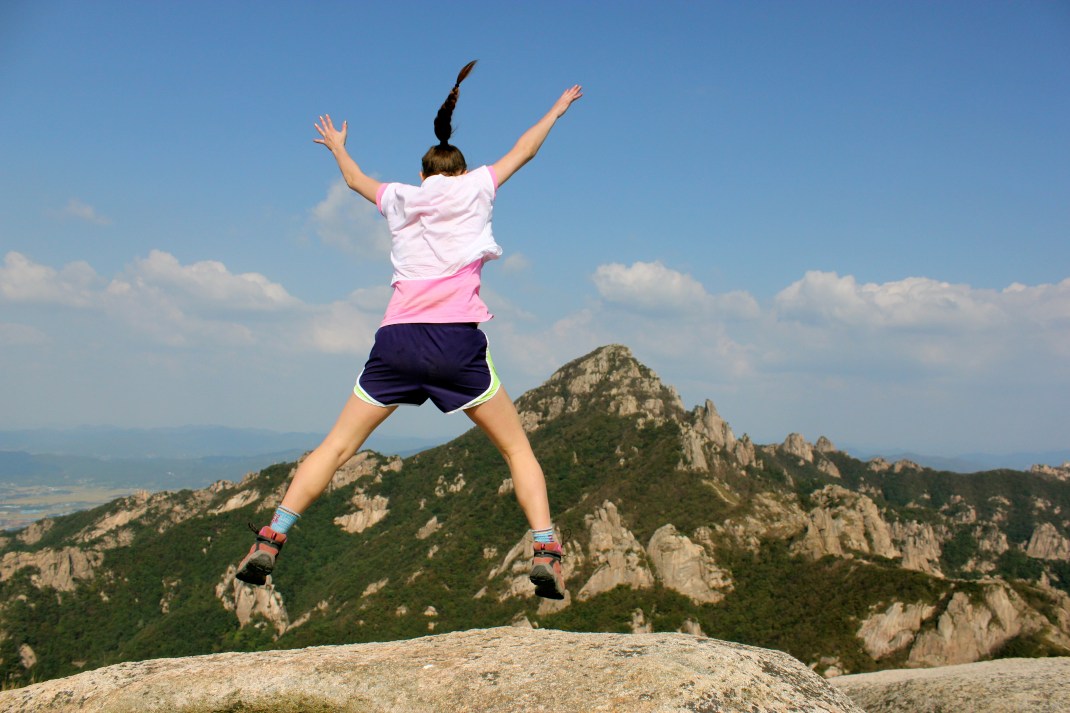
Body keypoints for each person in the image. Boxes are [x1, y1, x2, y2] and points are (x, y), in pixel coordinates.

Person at [236, 61, 582, 601]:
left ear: (423, 177)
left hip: (396, 341)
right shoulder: (477, 187)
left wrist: (338, 146)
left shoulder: (401, 197)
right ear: (463, 173)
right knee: (518, 451)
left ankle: (272, 536)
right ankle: (545, 552)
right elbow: (525, 149)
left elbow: (354, 180)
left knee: (336, 446)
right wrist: (556, 111)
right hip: (455, 343)